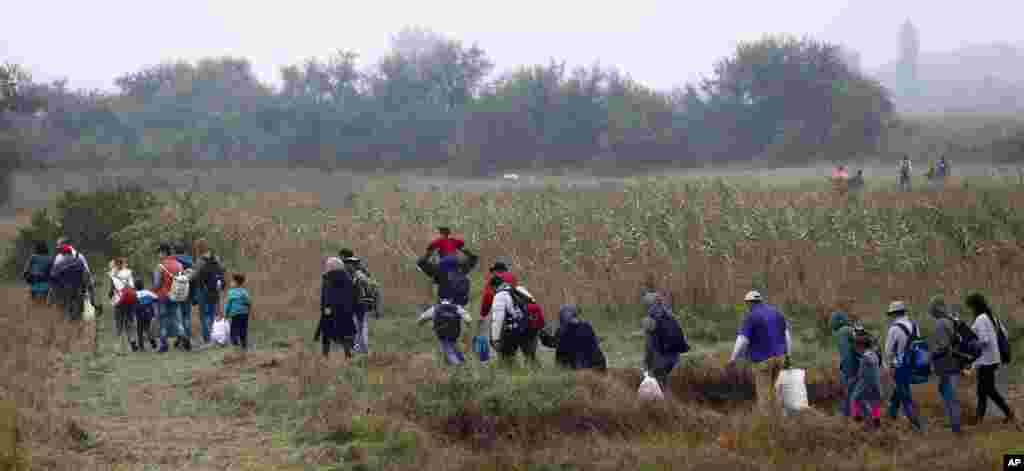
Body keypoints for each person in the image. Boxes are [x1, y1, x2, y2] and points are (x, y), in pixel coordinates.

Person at [728, 290, 791, 414]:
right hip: (780, 358)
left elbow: (742, 340)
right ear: (761, 300)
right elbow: (787, 336)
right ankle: (779, 418)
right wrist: (788, 355)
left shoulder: (751, 317)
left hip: (763, 360)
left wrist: (733, 358)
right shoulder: (777, 313)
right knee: (773, 389)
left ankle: (766, 423)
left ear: (749, 303)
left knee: (763, 393)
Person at [965, 293, 1019, 428]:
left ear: (974, 306)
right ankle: (979, 418)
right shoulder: (992, 317)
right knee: (983, 390)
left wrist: (972, 344)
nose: (970, 310)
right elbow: (1005, 333)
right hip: (993, 358)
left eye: (970, 307)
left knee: (988, 390)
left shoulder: (980, 319)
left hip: (986, 360)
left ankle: (1009, 413)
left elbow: (984, 340)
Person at [883, 301, 925, 432]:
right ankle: (891, 418)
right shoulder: (914, 325)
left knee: (905, 397)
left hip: (900, 367)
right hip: (913, 365)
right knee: (898, 393)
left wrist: (888, 367)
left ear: (894, 314)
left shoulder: (894, 329)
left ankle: (918, 426)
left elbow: (888, 352)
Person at [926, 296, 964, 434]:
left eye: (932, 310)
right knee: (945, 390)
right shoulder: (949, 321)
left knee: (949, 395)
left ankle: (955, 427)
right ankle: (954, 423)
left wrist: (931, 355)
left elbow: (943, 346)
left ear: (936, 310)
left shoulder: (941, 323)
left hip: (947, 365)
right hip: (952, 364)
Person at [643, 291, 687, 393]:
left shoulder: (650, 319)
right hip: (674, 358)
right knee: (669, 386)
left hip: (661, 360)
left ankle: (666, 404)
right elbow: (681, 336)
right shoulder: (670, 315)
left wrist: (647, 366)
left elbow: (649, 345)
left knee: (662, 388)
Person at [541, 304, 606, 371]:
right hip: (597, 365)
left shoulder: (563, 330)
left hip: (577, 368)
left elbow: (552, 343)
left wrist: (543, 335)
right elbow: (595, 341)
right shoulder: (587, 326)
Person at [489, 274, 535, 366]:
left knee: (507, 359)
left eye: (492, 288)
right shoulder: (519, 289)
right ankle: (536, 374)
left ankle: (511, 375)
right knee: (530, 357)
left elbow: (497, 319)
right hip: (528, 326)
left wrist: (495, 339)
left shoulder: (500, 296)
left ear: (494, 286)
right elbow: (533, 302)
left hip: (512, 331)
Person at [50, 242, 97, 322]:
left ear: (63, 253)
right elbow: (85, 273)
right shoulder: (79, 261)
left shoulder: (60, 263)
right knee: (79, 306)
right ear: (71, 252)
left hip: (64, 289)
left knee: (62, 303)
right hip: (78, 288)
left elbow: (53, 275)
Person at [153, 242, 187, 353]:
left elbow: (157, 284)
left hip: (163, 296)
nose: (158, 255)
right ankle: (182, 335)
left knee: (163, 320)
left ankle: (163, 344)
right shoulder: (179, 265)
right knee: (176, 318)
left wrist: (153, 291)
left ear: (163, 252)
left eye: (159, 253)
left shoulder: (160, 266)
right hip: (176, 295)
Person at [417, 298, 473, 365]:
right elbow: (468, 319)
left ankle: (457, 365)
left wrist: (420, 323)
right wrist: (467, 327)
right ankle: (463, 362)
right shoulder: (456, 308)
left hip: (442, 333)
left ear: (440, 300)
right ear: (451, 300)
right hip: (454, 332)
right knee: (454, 346)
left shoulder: (435, 308)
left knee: (449, 351)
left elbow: (422, 318)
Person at [320, 257, 356, 358]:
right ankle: (348, 353)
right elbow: (351, 296)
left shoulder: (328, 278)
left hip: (330, 310)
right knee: (345, 332)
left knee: (327, 333)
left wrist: (325, 309)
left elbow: (326, 296)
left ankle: (325, 354)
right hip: (345, 311)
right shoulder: (347, 278)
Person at [192, 239, 226, 347]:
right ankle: (214, 336)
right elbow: (223, 269)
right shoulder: (216, 258)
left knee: (203, 315)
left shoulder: (200, 260)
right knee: (212, 314)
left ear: (199, 248)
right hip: (214, 289)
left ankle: (207, 338)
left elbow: (195, 275)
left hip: (203, 290)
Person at [344, 256, 379, 354]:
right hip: (354, 306)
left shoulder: (359, 276)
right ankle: (360, 348)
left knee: (359, 327)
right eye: (346, 264)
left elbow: (373, 288)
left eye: (349, 264)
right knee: (358, 327)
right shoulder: (351, 275)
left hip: (359, 306)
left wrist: (374, 305)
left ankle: (362, 348)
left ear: (353, 265)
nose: (347, 266)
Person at [830, 302, 859, 417]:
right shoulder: (852, 329)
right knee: (869, 397)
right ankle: (872, 419)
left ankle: (847, 417)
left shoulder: (842, 333)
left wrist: (848, 373)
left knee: (849, 393)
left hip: (852, 369)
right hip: (868, 366)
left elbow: (846, 355)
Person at [478, 260, 518, 342]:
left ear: (496, 270)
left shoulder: (493, 280)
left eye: (494, 271)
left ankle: (495, 341)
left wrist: (483, 314)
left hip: (498, 308)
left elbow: (488, 296)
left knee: (490, 330)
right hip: (514, 307)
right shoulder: (513, 277)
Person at [851, 331, 883, 431]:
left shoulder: (864, 358)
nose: (857, 350)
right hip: (877, 383)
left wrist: (854, 379)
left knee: (855, 398)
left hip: (866, 384)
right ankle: (876, 419)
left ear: (861, 347)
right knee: (875, 402)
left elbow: (861, 374)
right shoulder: (874, 355)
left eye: (857, 347)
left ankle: (857, 418)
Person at [109, 257, 139, 352]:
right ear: (123, 264)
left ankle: (118, 346)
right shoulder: (129, 272)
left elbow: (111, 291)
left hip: (119, 301)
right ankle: (132, 341)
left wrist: (111, 297)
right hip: (130, 300)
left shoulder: (113, 275)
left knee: (119, 324)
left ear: (117, 265)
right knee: (130, 322)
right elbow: (133, 286)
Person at [173, 242, 197, 345]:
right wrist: (194, 294)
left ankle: (181, 336)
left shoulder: (173, 261)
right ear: (184, 250)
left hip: (177, 292)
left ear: (175, 250)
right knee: (186, 315)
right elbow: (194, 278)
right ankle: (186, 337)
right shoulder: (190, 261)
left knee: (177, 316)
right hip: (188, 291)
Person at [225, 273, 252, 351]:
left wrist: (226, 314)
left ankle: (235, 343)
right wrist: (248, 308)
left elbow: (228, 304)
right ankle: (244, 345)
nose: (231, 283)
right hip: (244, 314)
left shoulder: (231, 292)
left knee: (234, 329)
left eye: (232, 281)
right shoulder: (244, 292)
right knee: (243, 329)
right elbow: (248, 301)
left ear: (236, 283)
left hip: (235, 314)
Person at [134, 279, 159, 351]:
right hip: (148, 313)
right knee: (147, 328)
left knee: (140, 330)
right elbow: (156, 298)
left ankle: (141, 346)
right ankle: (153, 342)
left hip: (139, 314)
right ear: (143, 285)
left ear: (135, 286)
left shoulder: (134, 294)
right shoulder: (148, 292)